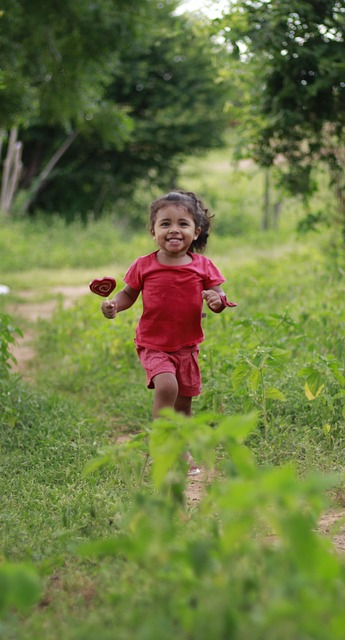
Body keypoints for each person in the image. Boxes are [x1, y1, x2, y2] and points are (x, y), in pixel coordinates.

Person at [101, 190, 234, 476]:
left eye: (183, 224)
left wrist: (216, 301)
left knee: (184, 404)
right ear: (153, 230)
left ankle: (181, 449)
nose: (174, 230)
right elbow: (127, 294)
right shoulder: (144, 265)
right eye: (165, 224)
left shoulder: (203, 266)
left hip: (187, 346)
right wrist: (114, 307)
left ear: (196, 232)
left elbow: (219, 296)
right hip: (154, 344)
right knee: (166, 387)